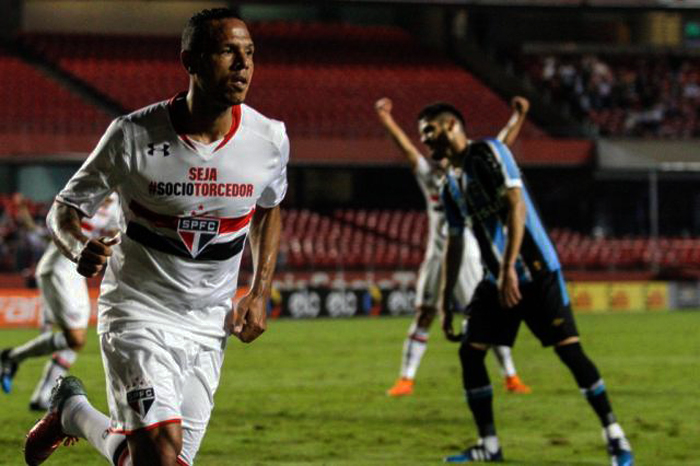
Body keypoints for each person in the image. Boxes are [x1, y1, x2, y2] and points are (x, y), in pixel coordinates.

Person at [24, 8, 288, 466]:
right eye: (228, 52)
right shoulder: (132, 135)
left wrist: (260, 290)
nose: (243, 65)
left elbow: (268, 209)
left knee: (160, 462)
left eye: (249, 53)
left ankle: (73, 412)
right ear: (190, 60)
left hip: (210, 323)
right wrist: (76, 248)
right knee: (161, 458)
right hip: (137, 312)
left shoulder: (268, 140)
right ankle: (75, 412)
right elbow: (64, 210)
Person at [415, 102, 632, 465]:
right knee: (470, 353)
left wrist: (508, 270)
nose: (425, 141)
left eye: (429, 132)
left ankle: (616, 437)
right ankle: (490, 446)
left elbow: (517, 206)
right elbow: (454, 242)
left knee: (570, 353)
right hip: (495, 279)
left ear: (451, 124)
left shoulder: (489, 153)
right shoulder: (449, 183)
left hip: (536, 271)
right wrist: (444, 300)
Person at [375, 97, 531, 397]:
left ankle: (510, 376)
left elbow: (502, 144)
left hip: (468, 255)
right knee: (424, 314)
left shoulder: (471, 172)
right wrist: (385, 120)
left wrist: (517, 118)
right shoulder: (431, 177)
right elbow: (407, 149)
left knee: (482, 317)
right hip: (436, 257)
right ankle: (406, 380)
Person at [1, 193, 121, 410]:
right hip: (58, 269)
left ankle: (41, 396)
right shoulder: (87, 195)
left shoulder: (121, 204)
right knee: (74, 338)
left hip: (78, 274)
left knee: (76, 341)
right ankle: (13, 357)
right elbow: (56, 225)